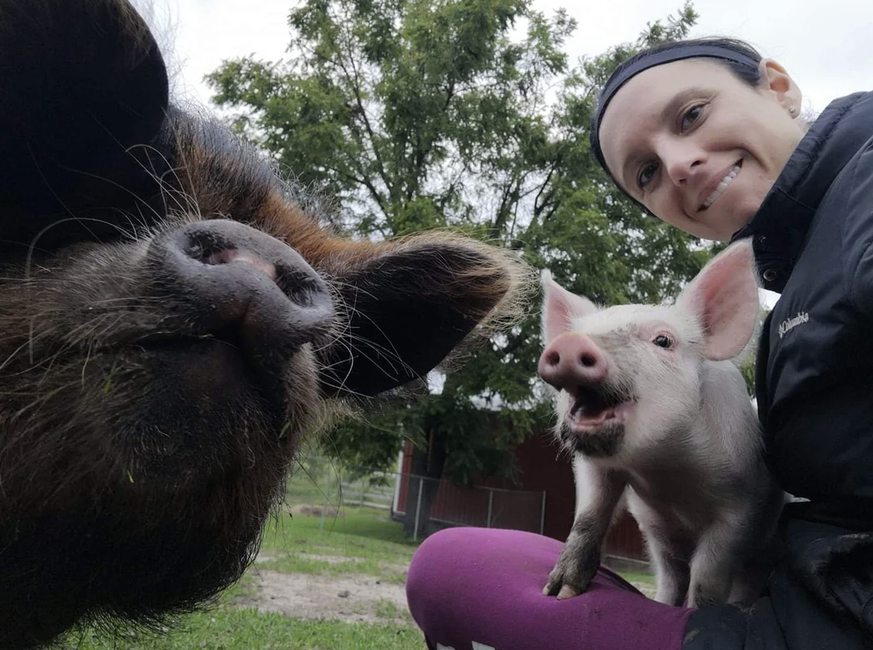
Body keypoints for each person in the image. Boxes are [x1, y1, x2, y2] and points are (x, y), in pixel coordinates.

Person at [405, 36, 873, 650]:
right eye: (647, 173)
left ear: (779, 88)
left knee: (451, 570)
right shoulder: (800, 273)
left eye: (692, 115)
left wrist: (706, 621)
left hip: (820, 622)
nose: (679, 166)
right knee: (451, 563)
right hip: (808, 602)